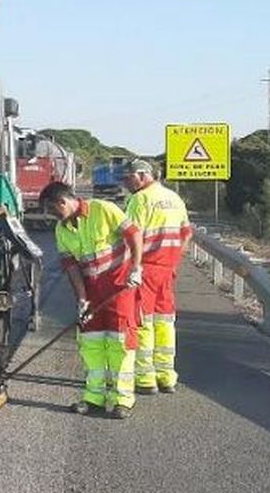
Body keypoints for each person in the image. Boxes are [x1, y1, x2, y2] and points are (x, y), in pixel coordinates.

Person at [40, 180, 145, 419]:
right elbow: (71, 267)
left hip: (120, 287)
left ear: (63, 202)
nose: (53, 216)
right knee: (91, 343)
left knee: (120, 343)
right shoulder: (62, 230)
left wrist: (136, 268)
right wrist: (82, 299)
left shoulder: (103, 209)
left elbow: (134, 234)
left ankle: (122, 400)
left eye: (53, 210)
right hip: (92, 291)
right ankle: (94, 397)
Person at [122, 159, 194, 394]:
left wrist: (132, 267)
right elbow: (186, 234)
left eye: (129, 177)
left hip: (146, 269)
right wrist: (174, 262)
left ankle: (145, 379)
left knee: (144, 322)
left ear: (142, 176)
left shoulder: (140, 199)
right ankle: (167, 375)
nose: (126, 182)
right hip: (167, 270)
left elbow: (132, 237)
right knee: (165, 323)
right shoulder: (174, 198)